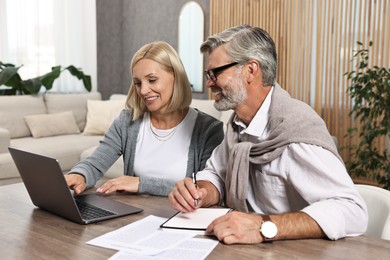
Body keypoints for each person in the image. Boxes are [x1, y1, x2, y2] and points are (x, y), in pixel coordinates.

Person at [168, 25, 368, 244]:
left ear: (251, 70)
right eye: (208, 74)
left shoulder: (295, 131)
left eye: (215, 73)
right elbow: (216, 174)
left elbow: (352, 211)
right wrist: (201, 193)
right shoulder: (237, 126)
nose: (208, 82)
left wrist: (264, 227)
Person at [65, 41, 224, 196]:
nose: (143, 90)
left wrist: (141, 184)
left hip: (181, 219)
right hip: (135, 217)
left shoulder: (208, 130)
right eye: (138, 83)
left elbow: (204, 191)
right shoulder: (127, 122)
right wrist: (80, 175)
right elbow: (95, 163)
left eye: (152, 80)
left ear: (176, 76)